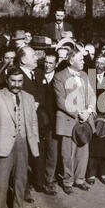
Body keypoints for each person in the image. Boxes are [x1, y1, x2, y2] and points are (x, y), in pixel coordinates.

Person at [0, 66, 40, 208]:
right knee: (0, 182)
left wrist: (34, 141)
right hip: (2, 142)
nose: (16, 85)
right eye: (13, 81)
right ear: (6, 79)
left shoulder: (29, 97)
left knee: (21, 177)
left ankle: (18, 206)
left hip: (23, 141)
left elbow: (33, 121)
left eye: (19, 81)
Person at [53, 50, 96, 194]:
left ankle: (80, 179)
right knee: (68, 153)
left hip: (85, 120)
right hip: (69, 120)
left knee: (83, 153)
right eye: (81, 59)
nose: (84, 61)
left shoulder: (84, 75)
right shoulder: (59, 77)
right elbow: (61, 101)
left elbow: (91, 95)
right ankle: (68, 181)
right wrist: (78, 113)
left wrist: (89, 111)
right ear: (71, 61)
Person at [16, 47, 47, 201]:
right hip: (24, 123)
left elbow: (45, 95)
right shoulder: (15, 75)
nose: (37, 57)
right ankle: (25, 188)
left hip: (40, 123)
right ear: (23, 60)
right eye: (33, 55)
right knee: (24, 156)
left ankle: (39, 182)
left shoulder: (40, 73)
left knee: (39, 152)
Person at [87, 55, 105, 185]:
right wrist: (90, 108)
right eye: (96, 62)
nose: (98, 66)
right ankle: (91, 174)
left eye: (102, 63)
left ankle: (104, 173)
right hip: (93, 114)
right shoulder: (88, 76)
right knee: (93, 143)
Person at [41, 51, 60, 195]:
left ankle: (49, 180)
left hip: (53, 122)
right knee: (39, 151)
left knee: (52, 152)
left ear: (56, 64)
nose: (47, 65)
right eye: (46, 62)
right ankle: (38, 179)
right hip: (39, 121)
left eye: (51, 63)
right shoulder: (37, 75)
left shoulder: (59, 79)